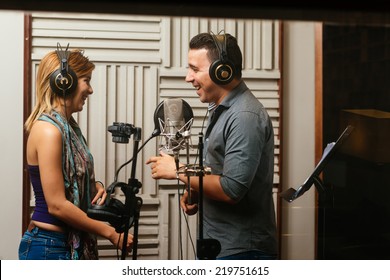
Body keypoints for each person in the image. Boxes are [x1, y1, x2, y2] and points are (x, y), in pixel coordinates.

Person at [146, 32, 278, 260]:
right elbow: (218, 172)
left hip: (242, 251)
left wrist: (178, 171)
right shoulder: (221, 111)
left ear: (222, 71)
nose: (188, 77)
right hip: (219, 245)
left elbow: (232, 189)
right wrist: (197, 191)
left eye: (195, 69)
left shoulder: (244, 116)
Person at [18, 45, 133, 260]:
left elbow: (70, 180)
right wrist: (110, 233)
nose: (90, 90)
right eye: (87, 80)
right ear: (65, 81)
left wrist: (94, 187)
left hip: (61, 244)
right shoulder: (49, 131)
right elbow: (57, 206)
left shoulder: (68, 128)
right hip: (50, 247)